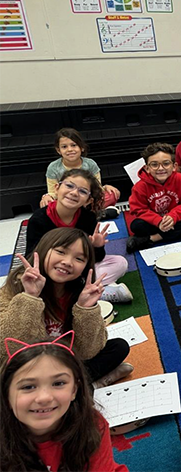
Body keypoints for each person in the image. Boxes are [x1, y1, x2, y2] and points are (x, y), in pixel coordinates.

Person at [0, 228, 132, 388]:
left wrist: (86, 309)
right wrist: (30, 297)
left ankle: (77, 385)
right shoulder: (14, 288)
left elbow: (89, 351)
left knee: (118, 347)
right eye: (61, 252)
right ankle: (86, 385)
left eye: (79, 258)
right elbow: (11, 349)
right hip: (27, 367)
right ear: (43, 250)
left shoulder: (78, 291)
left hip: (64, 361)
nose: (68, 262)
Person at [0, 331, 129, 471]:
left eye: (58, 383)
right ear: (6, 394)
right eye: (28, 387)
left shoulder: (91, 424)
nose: (45, 398)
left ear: (74, 390)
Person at [26, 169, 132, 304]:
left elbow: (96, 259)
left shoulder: (88, 218)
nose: (74, 193)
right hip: (52, 271)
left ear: (88, 200)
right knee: (29, 281)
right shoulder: (39, 219)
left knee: (120, 263)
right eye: (69, 186)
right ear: (57, 188)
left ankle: (82, 292)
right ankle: (90, 292)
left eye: (82, 191)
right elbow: (32, 257)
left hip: (78, 268)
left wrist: (97, 246)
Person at [126, 142, 181, 254]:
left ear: (174, 166)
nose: (160, 168)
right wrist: (158, 221)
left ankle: (152, 238)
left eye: (166, 164)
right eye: (154, 164)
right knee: (136, 226)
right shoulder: (139, 187)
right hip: (155, 222)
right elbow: (138, 210)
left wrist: (173, 216)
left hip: (174, 219)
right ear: (147, 168)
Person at [40, 127, 120, 218]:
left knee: (112, 194)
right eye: (64, 147)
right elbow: (53, 192)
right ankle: (93, 215)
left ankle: (81, 216)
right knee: (47, 204)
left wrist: (104, 187)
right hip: (66, 201)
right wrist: (47, 196)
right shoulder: (53, 167)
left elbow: (96, 187)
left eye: (74, 145)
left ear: (81, 148)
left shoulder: (90, 164)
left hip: (87, 200)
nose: (69, 149)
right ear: (58, 150)